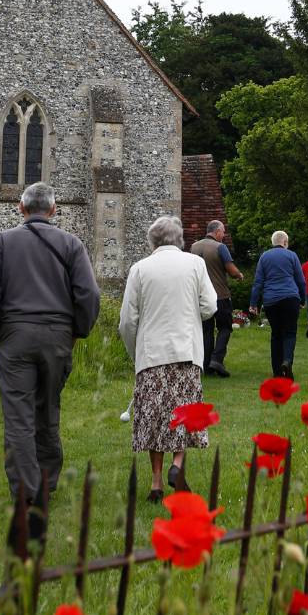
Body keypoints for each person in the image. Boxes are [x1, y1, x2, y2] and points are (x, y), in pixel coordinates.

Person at [0, 181, 101, 535]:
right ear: (54, 210)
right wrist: (78, 331)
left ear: (21, 208)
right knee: (48, 410)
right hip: (58, 337)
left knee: (18, 414)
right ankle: (46, 482)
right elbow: (88, 295)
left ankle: (28, 491)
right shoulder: (72, 244)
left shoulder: (2, 243)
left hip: (14, 336)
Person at [119, 215, 218, 502]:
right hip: (186, 352)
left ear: (152, 241)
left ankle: (156, 483)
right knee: (182, 413)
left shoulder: (140, 269)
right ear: (180, 240)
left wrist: (134, 350)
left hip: (152, 355)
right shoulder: (195, 264)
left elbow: (127, 321)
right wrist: (191, 315)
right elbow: (210, 305)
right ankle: (178, 465)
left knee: (154, 418)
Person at [189, 220, 243, 377]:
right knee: (225, 327)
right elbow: (231, 270)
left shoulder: (194, 247)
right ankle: (217, 360)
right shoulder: (221, 247)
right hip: (220, 295)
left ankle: (205, 364)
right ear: (217, 232)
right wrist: (239, 275)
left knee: (206, 330)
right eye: (223, 231)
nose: (224, 235)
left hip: (200, 296)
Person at [249, 231, 306, 379]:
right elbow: (300, 280)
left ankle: (277, 372)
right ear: (285, 242)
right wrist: (303, 299)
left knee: (276, 334)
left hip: (271, 300)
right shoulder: (292, 255)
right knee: (290, 332)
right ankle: (287, 361)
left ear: (273, 242)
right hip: (290, 298)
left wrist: (253, 303)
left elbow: (258, 282)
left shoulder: (264, 257)